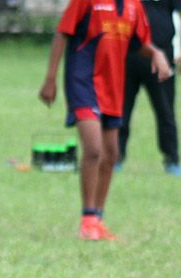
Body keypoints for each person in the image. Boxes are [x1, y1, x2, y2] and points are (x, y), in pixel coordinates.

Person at [39, 0, 173, 240]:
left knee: (111, 153)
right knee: (93, 149)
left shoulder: (134, 6)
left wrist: (156, 53)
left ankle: (97, 219)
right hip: (83, 82)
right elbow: (62, 33)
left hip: (112, 86)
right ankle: (87, 220)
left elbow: (137, 42)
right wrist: (50, 78)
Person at [117, 0, 181, 175]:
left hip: (162, 56)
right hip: (129, 56)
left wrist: (178, 51)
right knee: (121, 109)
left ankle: (172, 159)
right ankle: (116, 156)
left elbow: (176, 17)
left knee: (166, 111)